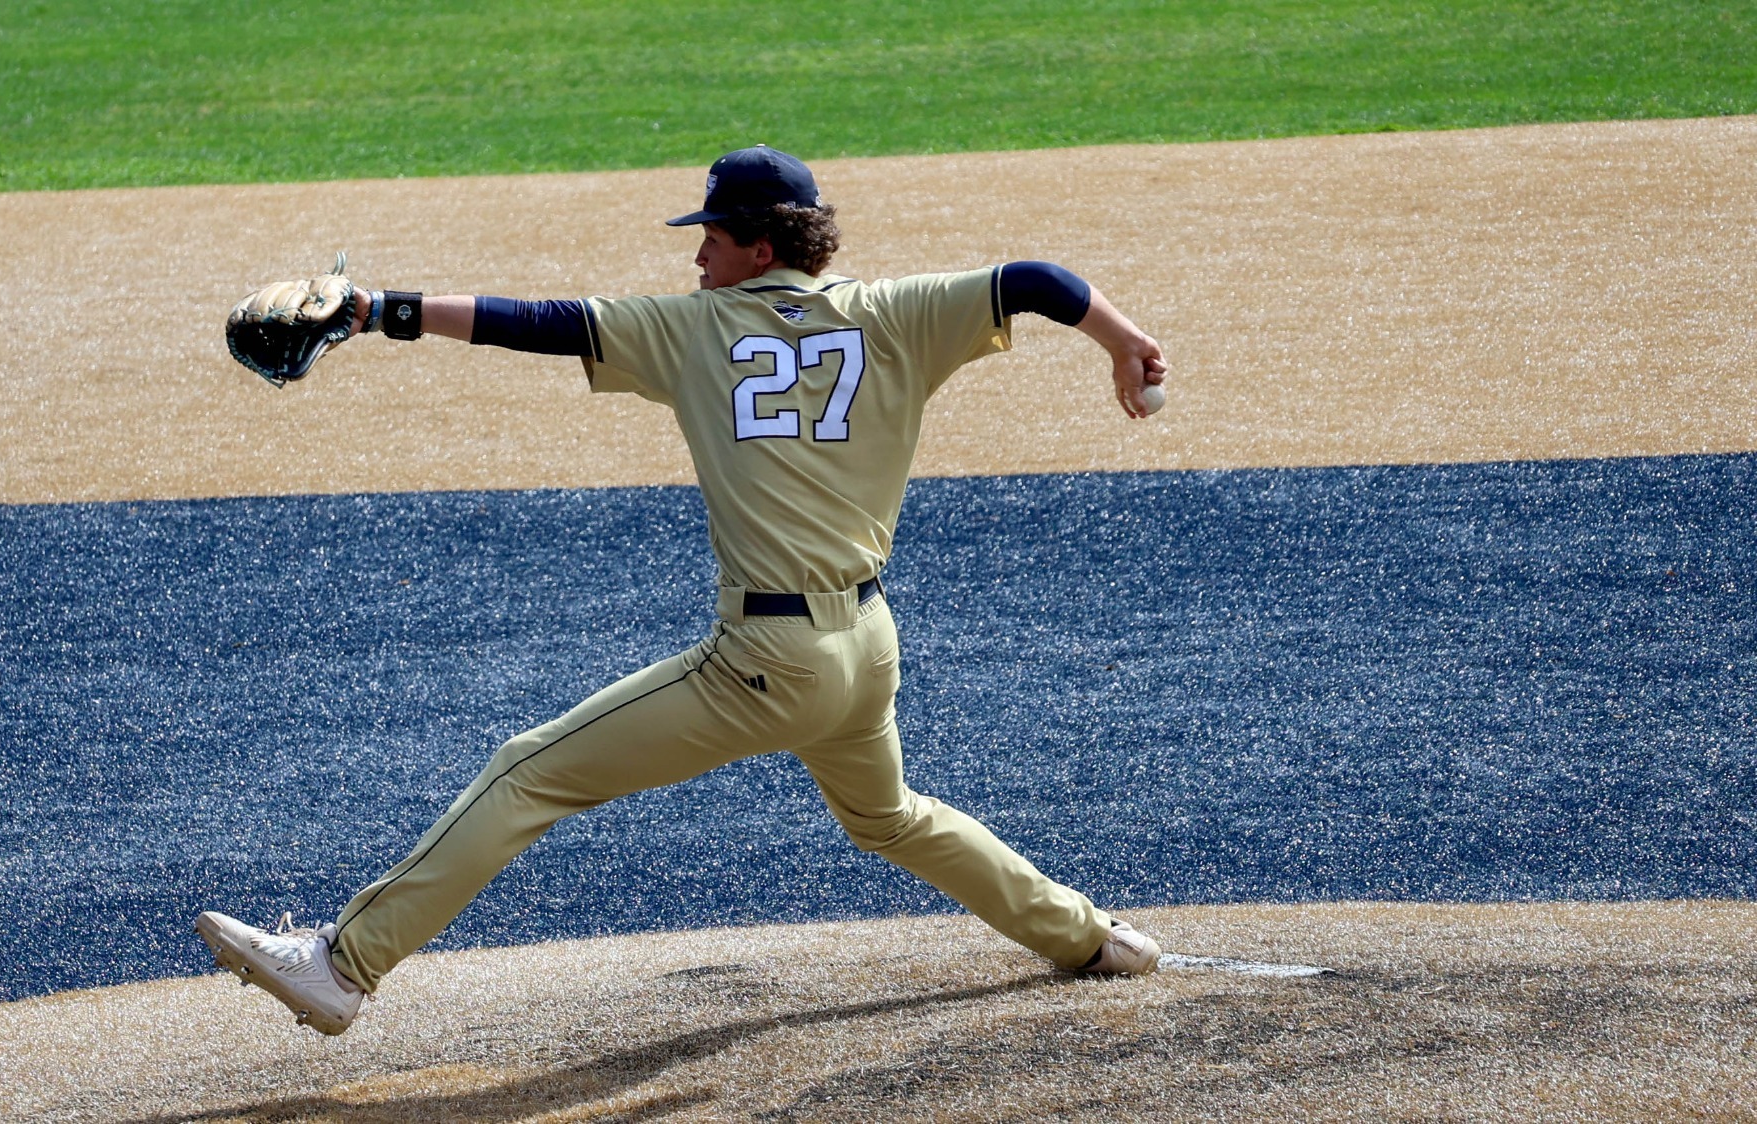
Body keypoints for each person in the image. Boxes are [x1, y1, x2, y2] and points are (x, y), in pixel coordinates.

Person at [197, 145, 1171, 1035]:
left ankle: (342, 962)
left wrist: (376, 310)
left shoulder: (691, 331)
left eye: (707, 236)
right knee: (888, 816)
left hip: (765, 660)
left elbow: (532, 324)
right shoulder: (898, 314)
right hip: (864, 646)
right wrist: (1121, 341)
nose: (694, 256)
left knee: (525, 769)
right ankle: (1087, 935)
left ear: (755, 246)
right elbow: (1035, 281)